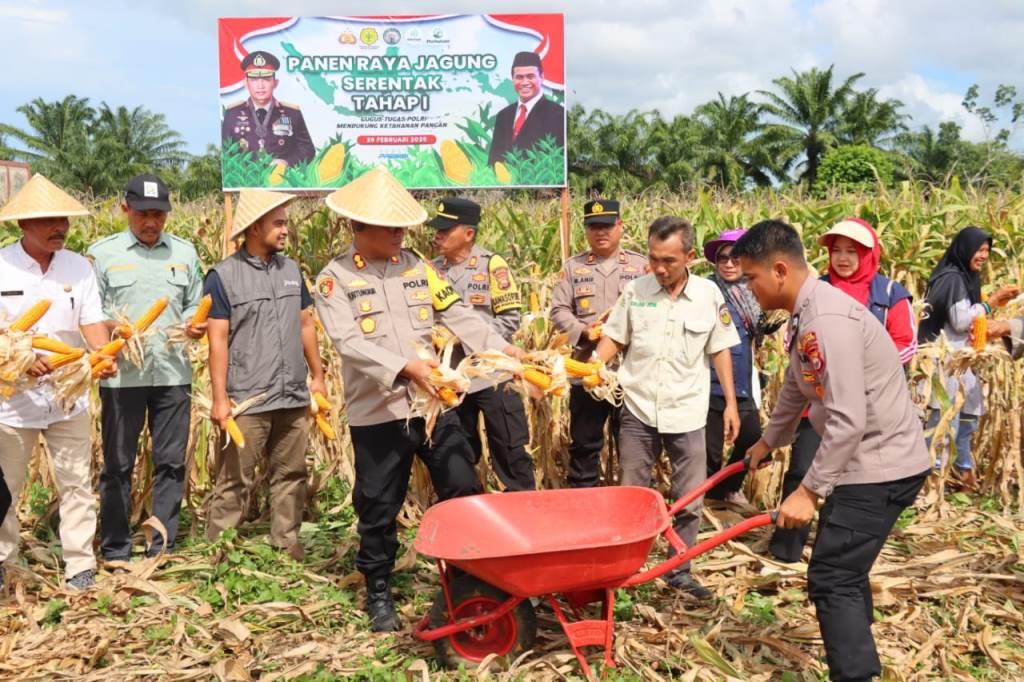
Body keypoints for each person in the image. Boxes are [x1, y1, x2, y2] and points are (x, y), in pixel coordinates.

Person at [314, 167, 523, 632]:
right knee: (377, 504)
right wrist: (405, 367)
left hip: (435, 407)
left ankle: (467, 579)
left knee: (462, 489)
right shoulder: (335, 279)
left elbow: (459, 313)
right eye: (390, 227)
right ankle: (379, 589)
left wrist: (501, 348)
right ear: (358, 228)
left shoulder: (419, 268)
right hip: (380, 412)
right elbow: (348, 342)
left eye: (403, 226)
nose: (401, 235)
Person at [736, 219, 932, 682]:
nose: (749, 289)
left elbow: (847, 419)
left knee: (832, 577)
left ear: (779, 270)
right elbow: (797, 386)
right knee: (844, 571)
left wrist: (808, 491)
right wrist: (769, 440)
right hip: (865, 462)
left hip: (878, 466)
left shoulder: (825, 320)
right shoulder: (809, 311)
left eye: (751, 278)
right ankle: (860, 658)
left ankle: (856, 674)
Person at [595, 216, 740, 598]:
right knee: (631, 493)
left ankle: (680, 569)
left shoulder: (709, 295)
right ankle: (626, 570)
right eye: (654, 258)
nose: (659, 268)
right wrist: (594, 366)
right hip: (638, 408)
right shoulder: (636, 290)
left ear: (690, 257)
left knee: (689, 496)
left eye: (669, 261)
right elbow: (614, 336)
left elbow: (720, 348)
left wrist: (729, 405)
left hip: (688, 410)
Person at [770, 217, 917, 563]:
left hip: (865, 411)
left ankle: (827, 552)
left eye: (853, 251)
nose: (843, 258)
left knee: (846, 485)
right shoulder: (814, 292)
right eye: (837, 251)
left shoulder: (888, 294)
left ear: (868, 255)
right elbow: (797, 356)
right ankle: (786, 549)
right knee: (802, 469)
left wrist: (856, 374)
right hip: (817, 405)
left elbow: (906, 344)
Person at [0, 174, 118, 591]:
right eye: (49, 219)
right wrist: (19, 357)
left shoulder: (79, 267)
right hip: (13, 402)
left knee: (76, 484)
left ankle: (80, 566)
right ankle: (5, 564)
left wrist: (103, 357)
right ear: (22, 226)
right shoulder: (1, 265)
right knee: (6, 488)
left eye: (64, 219)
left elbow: (91, 323)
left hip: (69, 397)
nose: (60, 227)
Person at [87, 173, 205, 561]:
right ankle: (116, 548)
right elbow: (90, 311)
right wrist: (113, 327)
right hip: (123, 376)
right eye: (143, 214)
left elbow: (194, 300)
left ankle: (161, 546)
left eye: (158, 214)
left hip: (173, 373)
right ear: (126, 209)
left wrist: (193, 323)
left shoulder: (185, 253)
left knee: (171, 462)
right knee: (118, 464)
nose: (151, 222)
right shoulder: (102, 254)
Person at [203, 189, 326, 561]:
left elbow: (306, 324)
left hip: (292, 394)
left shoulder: (291, 270)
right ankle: (220, 551)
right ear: (255, 227)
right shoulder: (223, 276)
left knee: (291, 475)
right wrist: (221, 398)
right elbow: (218, 339)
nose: (286, 230)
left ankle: (286, 544)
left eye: (285, 223)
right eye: (279, 223)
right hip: (249, 398)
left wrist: (317, 377)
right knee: (235, 479)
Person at [429, 197, 535, 491]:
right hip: (452, 378)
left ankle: (524, 506)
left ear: (468, 234)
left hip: (493, 372)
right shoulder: (429, 271)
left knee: (510, 446)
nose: (436, 236)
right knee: (457, 450)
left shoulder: (492, 265)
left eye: (444, 231)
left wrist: (469, 341)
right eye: (436, 230)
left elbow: (510, 319)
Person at [550, 199, 647, 487]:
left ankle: (632, 496)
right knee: (585, 441)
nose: (600, 232)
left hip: (630, 369)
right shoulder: (572, 267)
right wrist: (582, 331)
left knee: (632, 442)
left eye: (606, 226)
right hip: (587, 369)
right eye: (593, 226)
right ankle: (583, 496)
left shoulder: (642, 267)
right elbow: (558, 310)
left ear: (620, 226)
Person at [918, 226, 1018, 488]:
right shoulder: (952, 278)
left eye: (987, 250)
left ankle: (963, 471)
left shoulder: (967, 277)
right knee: (941, 419)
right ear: (964, 249)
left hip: (963, 361)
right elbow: (961, 321)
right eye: (979, 249)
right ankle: (933, 478)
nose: (984, 255)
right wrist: (991, 303)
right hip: (944, 362)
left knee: (968, 416)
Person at [702, 229, 784, 504]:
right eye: (722, 258)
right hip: (709, 382)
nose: (728, 263)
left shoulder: (755, 294)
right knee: (709, 450)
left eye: (736, 258)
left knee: (752, 438)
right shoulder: (704, 291)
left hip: (743, 380)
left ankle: (728, 487)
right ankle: (710, 503)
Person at [221, 50, 316, 168]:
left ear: (275, 83)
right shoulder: (232, 114)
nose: (260, 85)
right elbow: (224, 152)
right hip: (245, 183)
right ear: (245, 83)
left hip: (282, 181)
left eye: (266, 79)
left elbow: (308, 150)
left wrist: (287, 162)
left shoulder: (292, 113)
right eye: (254, 79)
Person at [487, 51, 566, 167]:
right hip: (504, 183)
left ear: (542, 77)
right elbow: (493, 161)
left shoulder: (558, 115)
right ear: (512, 79)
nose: (524, 82)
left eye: (530, 76)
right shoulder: (503, 116)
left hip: (541, 182)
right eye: (519, 77)